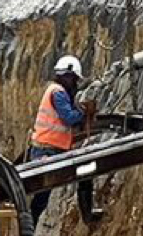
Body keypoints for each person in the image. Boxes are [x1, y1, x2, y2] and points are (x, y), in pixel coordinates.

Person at [25, 56, 101, 222]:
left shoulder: (57, 91)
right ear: (69, 76)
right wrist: (83, 113)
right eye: (74, 80)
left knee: (83, 174)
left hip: (50, 150)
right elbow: (69, 118)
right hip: (47, 151)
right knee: (42, 197)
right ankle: (28, 232)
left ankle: (87, 215)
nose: (75, 84)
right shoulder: (58, 93)